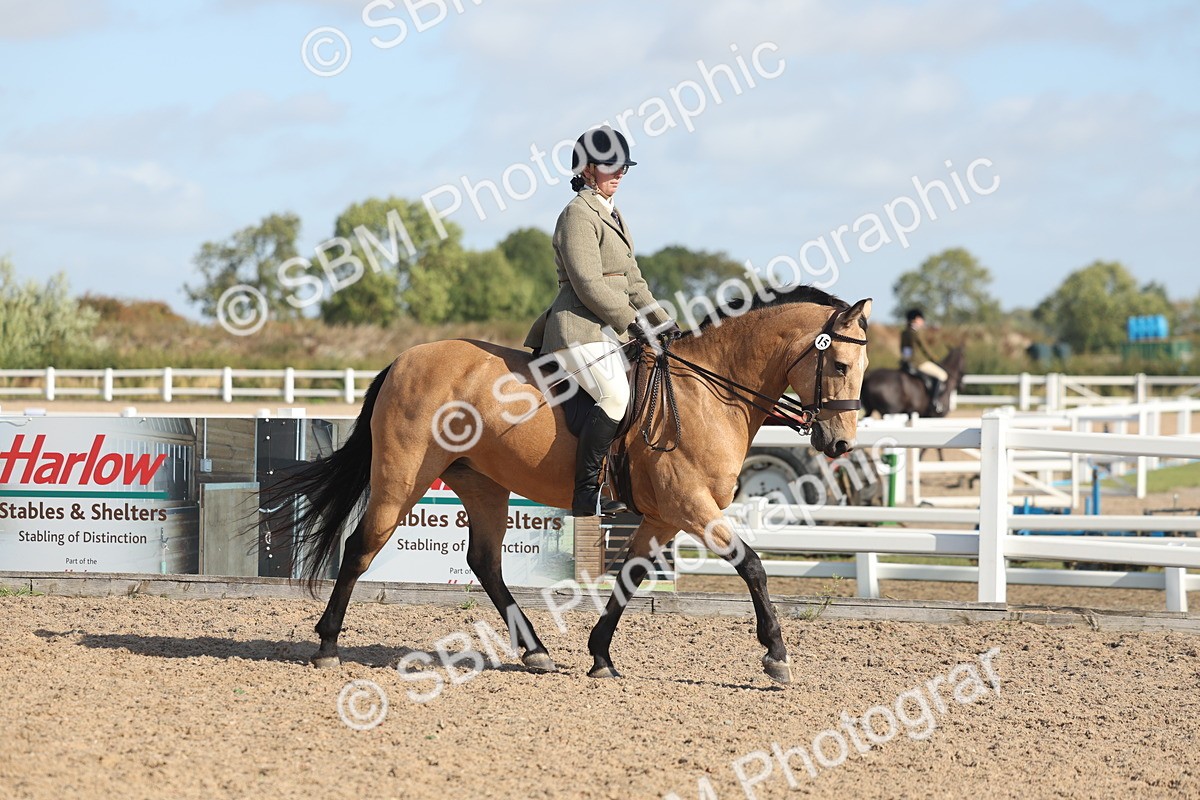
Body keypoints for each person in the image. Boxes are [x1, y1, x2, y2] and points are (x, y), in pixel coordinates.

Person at [524, 126, 680, 516]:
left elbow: (634, 282)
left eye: (623, 167)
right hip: (576, 328)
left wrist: (664, 324)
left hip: (604, 330)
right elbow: (588, 284)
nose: (620, 173)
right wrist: (633, 323)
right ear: (587, 169)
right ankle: (586, 494)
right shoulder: (577, 214)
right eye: (611, 166)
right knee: (615, 396)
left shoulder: (614, 214)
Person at [900, 308, 948, 415]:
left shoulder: (905, 332)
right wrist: (935, 360)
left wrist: (906, 360)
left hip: (908, 362)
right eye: (921, 319)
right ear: (916, 319)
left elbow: (905, 349)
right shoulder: (917, 333)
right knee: (942, 375)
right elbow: (925, 349)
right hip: (919, 363)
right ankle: (934, 402)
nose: (922, 321)